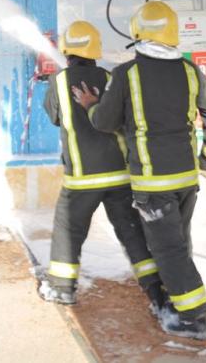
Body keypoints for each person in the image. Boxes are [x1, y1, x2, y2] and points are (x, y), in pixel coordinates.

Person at [72, 1, 206, 341]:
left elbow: (105, 122)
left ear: (137, 33)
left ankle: (194, 317)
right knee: (178, 244)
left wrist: (90, 105)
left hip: (153, 184)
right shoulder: (190, 71)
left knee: (168, 249)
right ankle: (178, 299)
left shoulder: (126, 74)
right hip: (186, 181)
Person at [37, 20, 170, 319]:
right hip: (119, 175)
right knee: (132, 233)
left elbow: (55, 117)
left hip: (83, 178)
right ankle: (156, 291)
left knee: (69, 230)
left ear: (67, 50)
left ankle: (61, 288)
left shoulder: (59, 80)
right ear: (95, 49)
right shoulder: (111, 77)